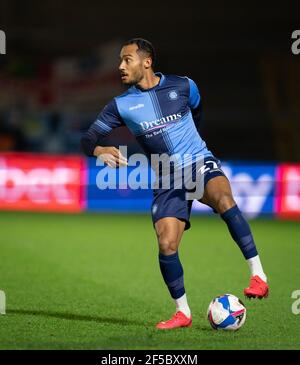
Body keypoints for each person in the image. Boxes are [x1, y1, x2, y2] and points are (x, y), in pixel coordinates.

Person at [81, 38, 269, 330]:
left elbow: (198, 112)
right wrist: (100, 150)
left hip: (198, 163)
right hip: (167, 176)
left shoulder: (183, 86)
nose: (120, 66)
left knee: (224, 200)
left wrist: (195, 146)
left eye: (126, 59)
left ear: (146, 62)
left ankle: (258, 276)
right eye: (120, 60)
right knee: (167, 244)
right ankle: (183, 313)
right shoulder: (120, 105)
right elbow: (88, 139)